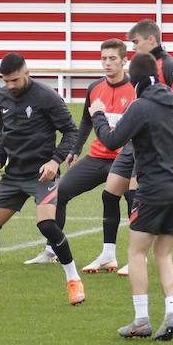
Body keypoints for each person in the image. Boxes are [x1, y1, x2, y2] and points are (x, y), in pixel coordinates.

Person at [90, 52, 173, 341]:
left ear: (134, 79)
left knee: (137, 252)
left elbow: (111, 141)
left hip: (154, 187)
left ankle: (141, 319)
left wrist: (98, 115)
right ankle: (171, 313)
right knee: (164, 253)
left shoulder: (140, 106)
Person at [0, 54, 81, 306]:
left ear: (27, 73)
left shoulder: (46, 97)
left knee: (47, 225)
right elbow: (6, 132)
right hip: (13, 176)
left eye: (15, 80)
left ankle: (74, 280)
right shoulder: (2, 96)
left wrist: (55, 161)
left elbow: (71, 130)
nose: (10, 86)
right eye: (6, 81)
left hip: (41, 174)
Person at [55, 39, 135, 275]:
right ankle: (54, 248)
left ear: (124, 60)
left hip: (125, 160)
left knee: (132, 199)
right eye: (103, 59)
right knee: (59, 193)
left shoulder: (136, 90)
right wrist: (75, 149)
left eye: (112, 58)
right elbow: (86, 121)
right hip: (97, 157)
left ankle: (134, 258)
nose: (107, 63)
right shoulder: (94, 88)